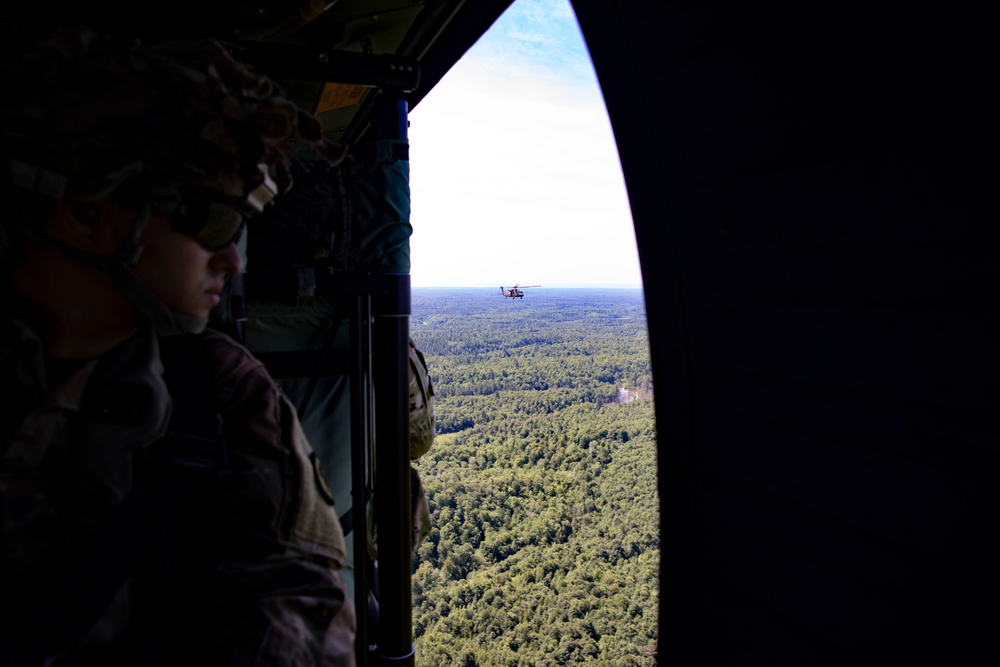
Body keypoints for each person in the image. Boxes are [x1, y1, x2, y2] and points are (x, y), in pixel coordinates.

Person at [0, 25, 355, 665]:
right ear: (91, 208)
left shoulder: (218, 396)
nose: (232, 259)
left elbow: (291, 613)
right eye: (214, 220)